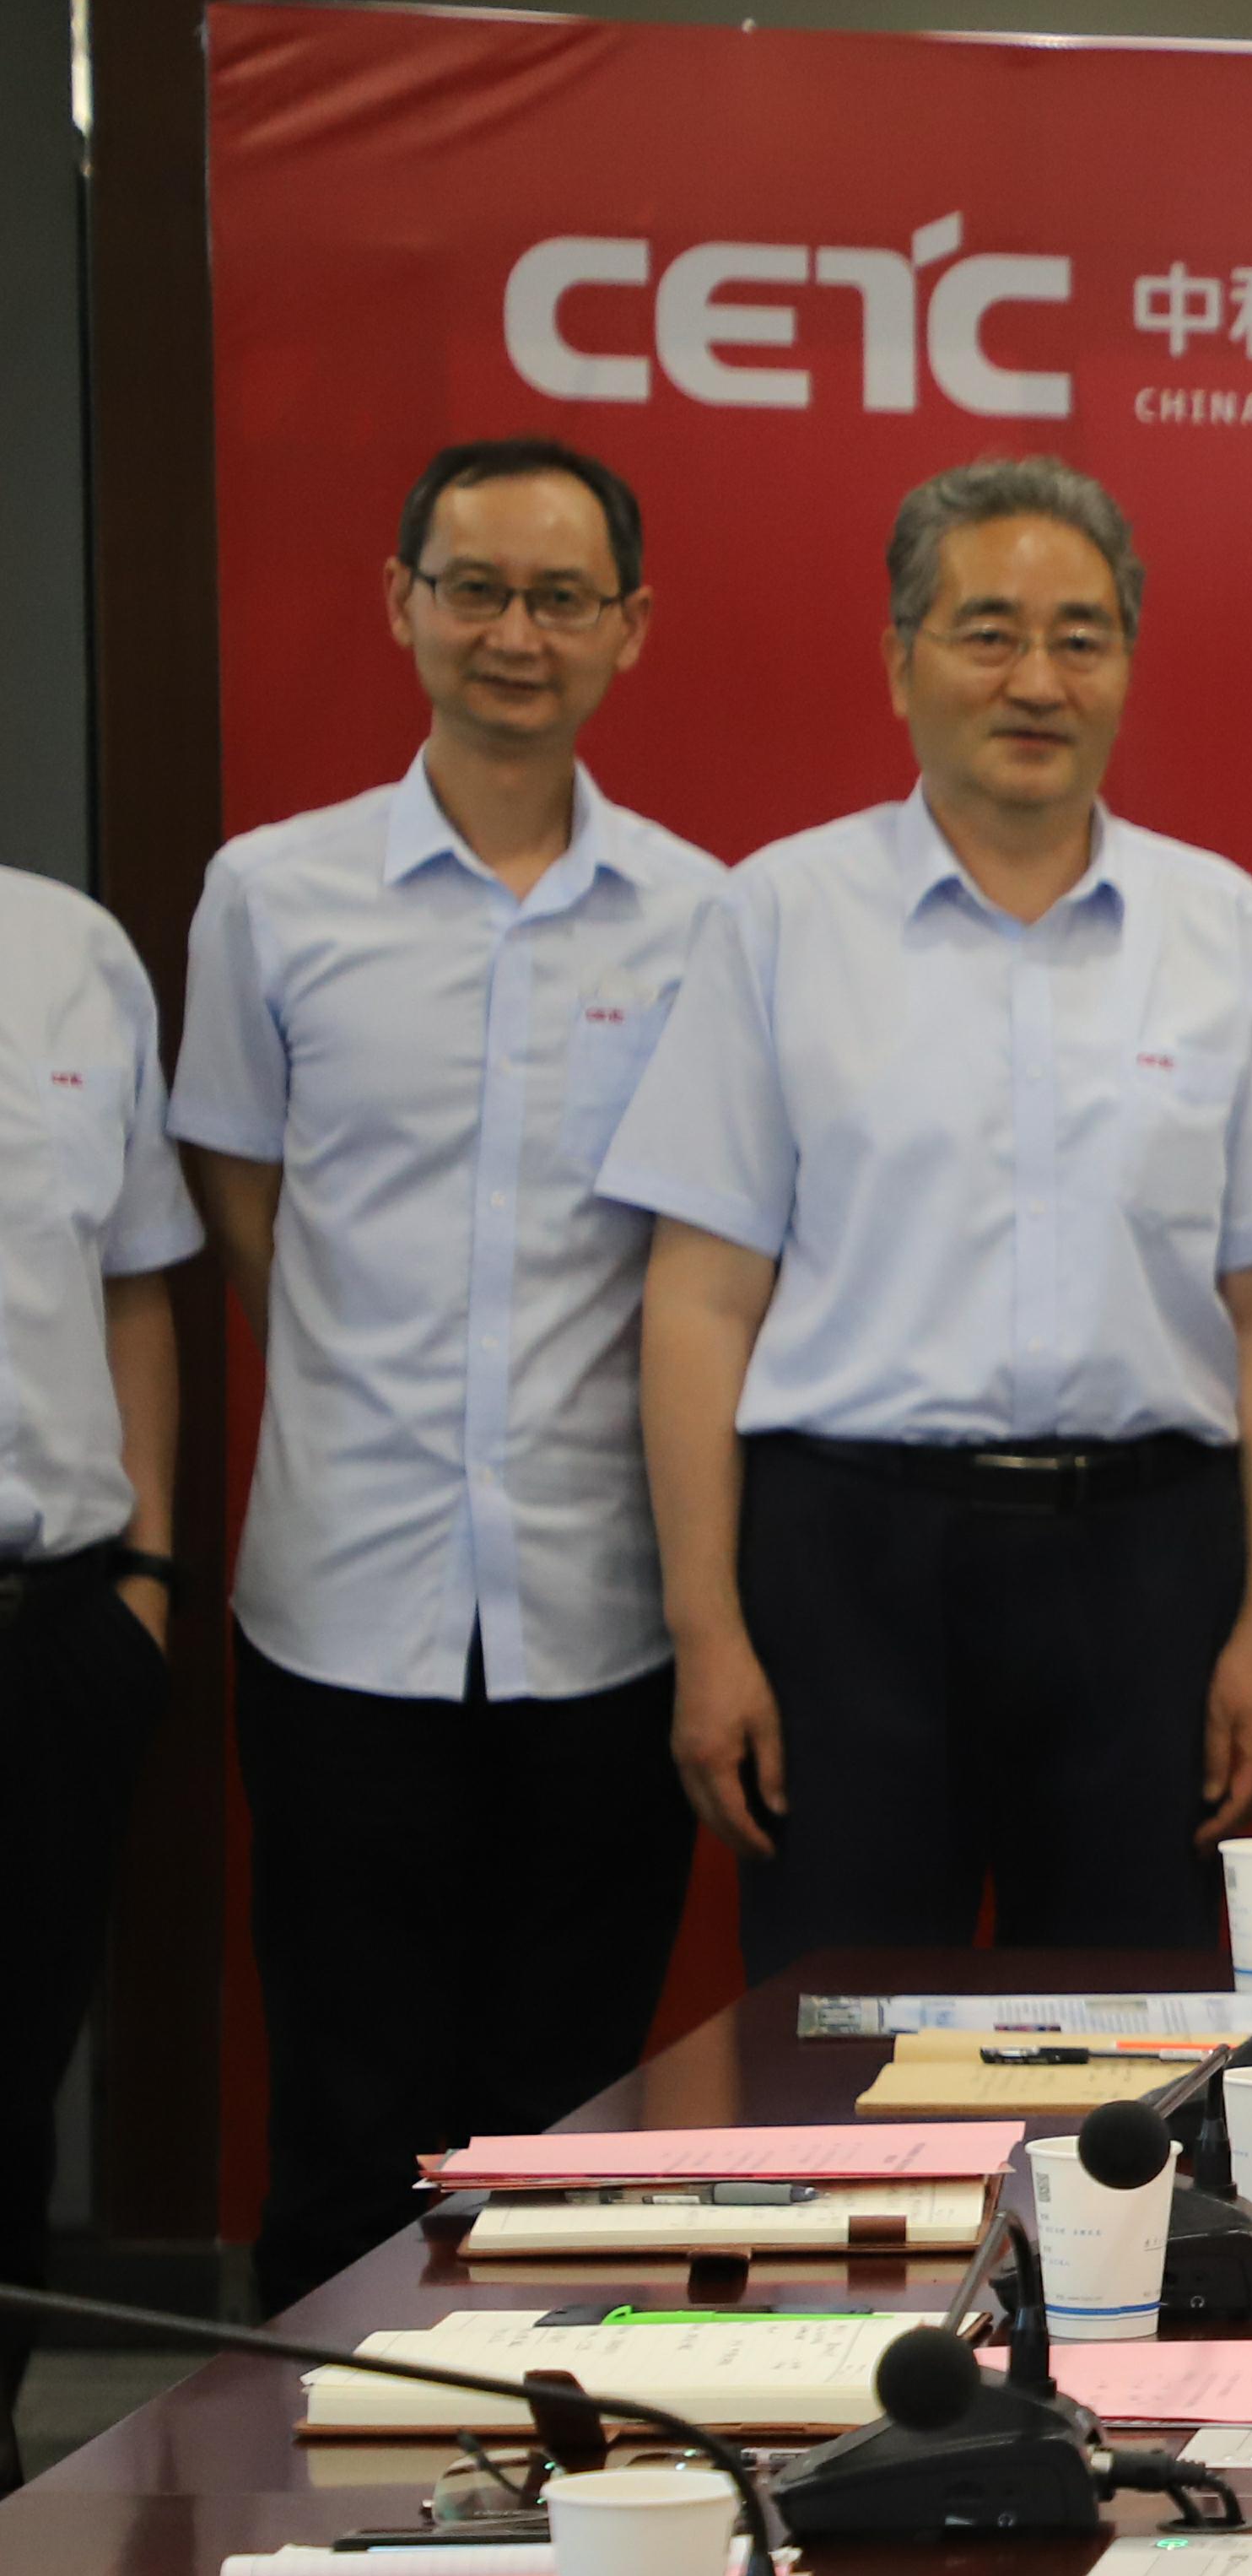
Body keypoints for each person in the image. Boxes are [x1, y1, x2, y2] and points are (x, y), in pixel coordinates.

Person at [598, 455, 1252, 1972]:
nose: (1037, 681)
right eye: (988, 632)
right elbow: (701, 1295)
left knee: (1131, 2027)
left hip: (1147, 1563)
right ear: (901, 662)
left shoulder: (1233, 936)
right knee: (836, 2028)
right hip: (846, 1561)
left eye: (1081, 638)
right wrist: (708, 1628)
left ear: (1125, 668)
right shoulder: (780, 917)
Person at [170, 437, 724, 2311]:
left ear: (629, 628)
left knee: (562, 2107)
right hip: (344, 1602)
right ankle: (319, 2455)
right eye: (474, 588)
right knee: (346, 2105)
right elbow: (243, 1193)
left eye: (561, 598)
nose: (514, 633)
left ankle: (547, 2452)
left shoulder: (703, 917)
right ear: (402, 603)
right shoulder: (272, 895)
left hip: (604, 1606)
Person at [0, 859, 197, 2439]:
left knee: (13, 2092)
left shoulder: (69, 950)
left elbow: (135, 1284)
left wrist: (146, 1575)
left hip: (55, 1621)